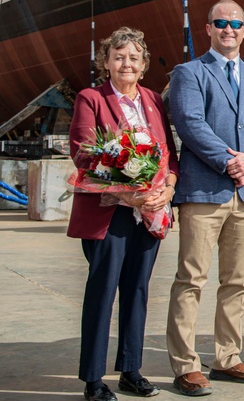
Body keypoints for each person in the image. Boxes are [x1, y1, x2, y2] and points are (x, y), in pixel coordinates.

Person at [166, 0, 244, 396]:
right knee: (191, 278)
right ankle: (185, 365)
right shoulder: (188, 72)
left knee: (236, 281)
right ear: (208, 28)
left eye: (235, 23)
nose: (228, 29)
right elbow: (189, 123)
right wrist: (228, 162)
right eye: (221, 22)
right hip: (204, 191)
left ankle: (227, 357)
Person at [68, 27, 180, 401]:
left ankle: (131, 369)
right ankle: (93, 379)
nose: (125, 64)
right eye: (118, 57)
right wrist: (129, 193)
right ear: (105, 63)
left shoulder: (151, 99)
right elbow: (85, 153)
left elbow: (170, 154)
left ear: (144, 65)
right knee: (103, 290)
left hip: (150, 212)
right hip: (110, 212)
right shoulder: (91, 98)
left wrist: (168, 188)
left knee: (137, 289)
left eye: (133, 58)